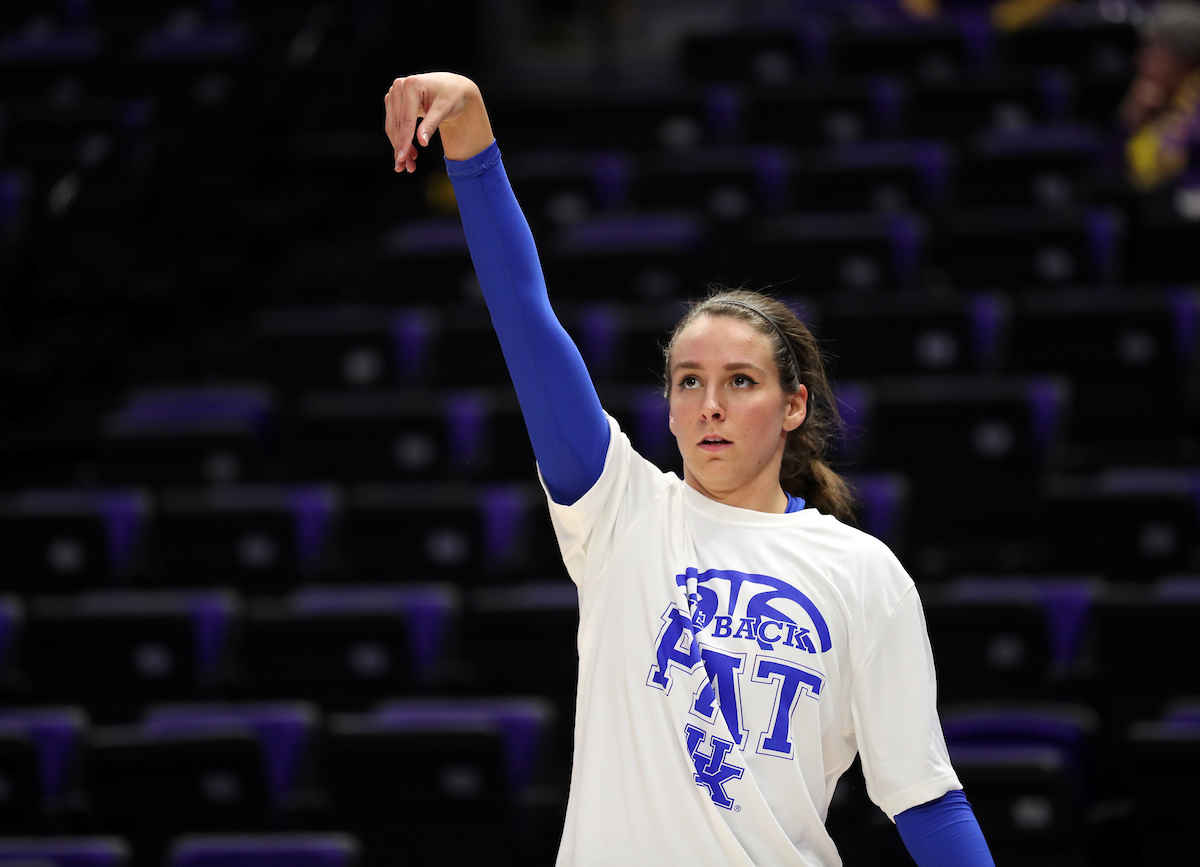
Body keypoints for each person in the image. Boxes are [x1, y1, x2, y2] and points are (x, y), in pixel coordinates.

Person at [384, 72, 996, 867]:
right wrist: (471, 136)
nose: (710, 404)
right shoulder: (620, 511)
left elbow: (927, 800)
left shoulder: (862, 572)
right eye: (688, 381)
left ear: (793, 406)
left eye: (740, 381)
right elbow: (523, 316)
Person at [1121, 0, 1200, 190]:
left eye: (1152, 49)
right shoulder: (1147, 103)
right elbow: (1111, 177)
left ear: (1184, 60)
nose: (1139, 60)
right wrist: (1129, 122)